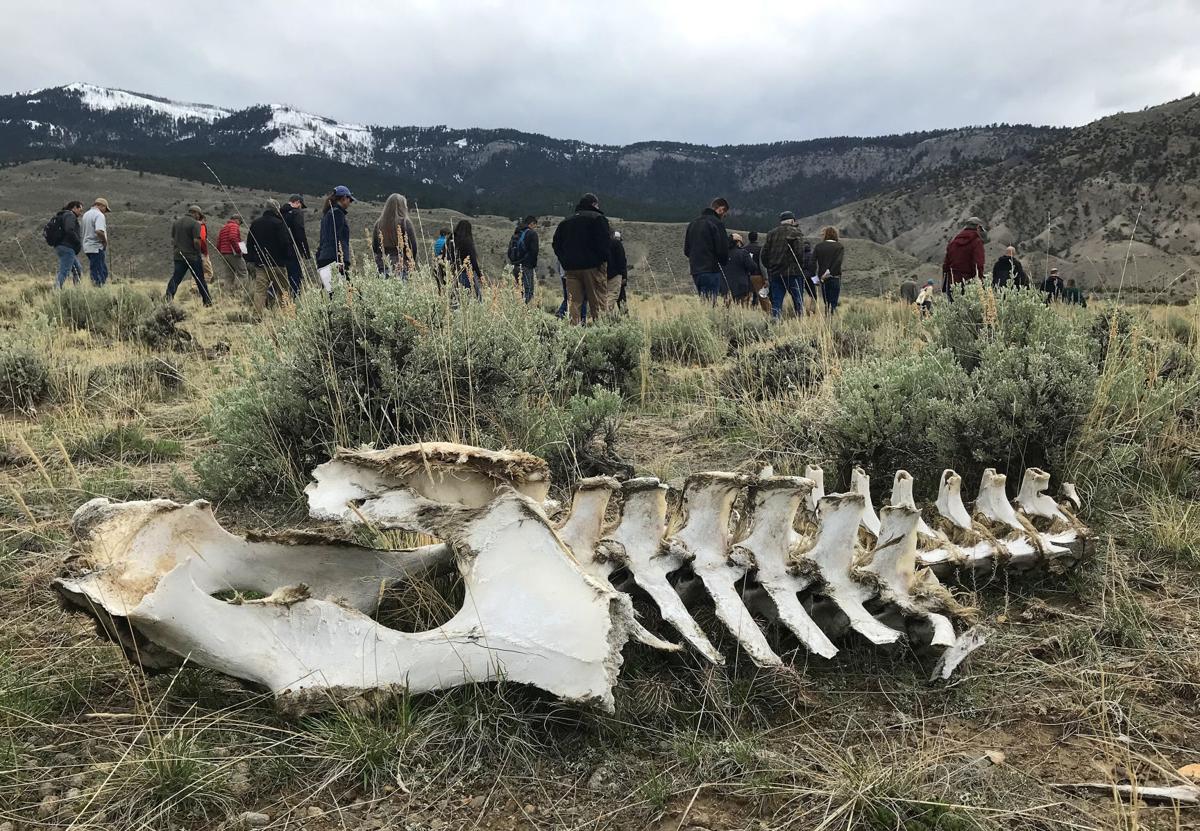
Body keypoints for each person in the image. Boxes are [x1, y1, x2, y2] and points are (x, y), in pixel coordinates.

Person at [552, 193, 611, 324]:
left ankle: (574, 333)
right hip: (593, 268)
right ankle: (601, 333)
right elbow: (605, 244)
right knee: (598, 303)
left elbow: (556, 244)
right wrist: (601, 261)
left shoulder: (566, 222)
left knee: (574, 304)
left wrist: (565, 261)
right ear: (594, 204)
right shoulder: (598, 219)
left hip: (571, 269)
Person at [247, 201, 293, 315]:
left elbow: (249, 244)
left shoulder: (255, 223)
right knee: (284, 292)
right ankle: (288, 315)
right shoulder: (279, 224)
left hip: (261, 265)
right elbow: (285, 243)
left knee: (260, 292)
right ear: (276, 210)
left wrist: (251, 259)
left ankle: (256, 316)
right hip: (278, 264)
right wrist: (287, 257)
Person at [683, 197, 730, 302]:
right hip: (711, 270)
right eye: (725, 214)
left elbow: (686, 250)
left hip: (695, 271)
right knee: (711, 304)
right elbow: (722, 249)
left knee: (704, 301)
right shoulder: (717, 223)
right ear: (721, 209)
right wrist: (724, 260)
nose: (723, 217)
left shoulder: (693, 223)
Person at [762, 211, 806, 319]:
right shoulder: (796, 232)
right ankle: (800, 323)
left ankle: (775, 322)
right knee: (798, 301)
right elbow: (800, 253)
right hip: (793, 273)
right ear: (792, 220)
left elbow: (764, 255)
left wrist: (771, 267)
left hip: (776, 273)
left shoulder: (771, 233)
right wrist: (800, 267)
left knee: (776, 302)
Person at [165, 205, 212, 306]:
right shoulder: (195, 224)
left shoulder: (176, 223)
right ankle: (207, 302)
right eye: (199, 216)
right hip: (192, 256)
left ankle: (168, 298)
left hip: (178, 255)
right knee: (200, 279)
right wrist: (198, 252)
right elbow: (196, 241)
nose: (198, 218)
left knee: (176, 278)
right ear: (195, 213)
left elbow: (173, 240)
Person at [372, 193, 419, 280]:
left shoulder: (378, 224)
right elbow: (413, 248)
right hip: (402, 268)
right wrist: (411, 265)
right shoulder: (405, 223)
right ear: (402, 207)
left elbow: (375, 248)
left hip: (382, 267)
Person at [316, 185, 354, 293]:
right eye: (349, 199)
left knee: (329, 294)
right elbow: (335, 237)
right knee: (346, 293)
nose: (350, 202)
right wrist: (340, 260)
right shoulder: (337, 213)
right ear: (344, 198)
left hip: (325, 258)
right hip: (335, 259)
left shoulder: (327, 214)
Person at [941, 217, 987, 301]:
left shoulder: (953, 242)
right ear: (977, 227)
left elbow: (945, 265)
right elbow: (978, 265)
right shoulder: (976, 242)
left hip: (952, 282)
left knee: (953, 310)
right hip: (968, 283)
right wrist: (979, 281)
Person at [446, 219, 483, 300]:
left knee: (456, 299)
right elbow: (473, 260)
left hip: (453, 273)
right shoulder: (467, 241)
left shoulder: (450, 240)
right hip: (466, 273)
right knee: (477, 298)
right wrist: (480, 275)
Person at [280, 194, 310, 295]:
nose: (301, 208)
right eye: (301, 205)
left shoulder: (280, 213)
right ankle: (295, 299)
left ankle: (274, 297)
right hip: (293, 250)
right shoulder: (297, 213)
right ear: (297, 202)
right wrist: (305, 252)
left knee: (281, 277)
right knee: (295, 276)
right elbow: (299, 232)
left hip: (280, 251)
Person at [50, 201, 84, 288]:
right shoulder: (70, 215)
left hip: (62, 246)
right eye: (80, 209)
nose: (81, 212)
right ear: (74, 208)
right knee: (64, 271)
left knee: (78, 269)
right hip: (67, 247)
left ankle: (77, 290)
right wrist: (77, 241)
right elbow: (69, 229)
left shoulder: (63, 215)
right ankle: (56, 291)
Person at [508, 216, 540, 303]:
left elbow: (509, 251)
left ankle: (518, 310)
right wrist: (532, 265)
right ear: (532, 223)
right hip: (527, 266)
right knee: (528, 291)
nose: (534, 228)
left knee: (519, 290)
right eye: (535, 226)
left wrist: (515, 262)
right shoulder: (532, 234)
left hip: (515, 266)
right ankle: (525, 313)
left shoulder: (516, 233)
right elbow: (534, 251)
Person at [215, 214, 248, 297]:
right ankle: (240, 293)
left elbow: (218, 243)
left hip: (224, 253)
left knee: (229, 276)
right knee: (243, 273)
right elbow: (232, 238)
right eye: (240, 222)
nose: (239, 225)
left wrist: (222, 252)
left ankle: (226, 296)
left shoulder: (224, 227)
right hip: (232, 253)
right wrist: (238, 250)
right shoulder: (234, 226)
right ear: (237, 220)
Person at [814, 226, 845, 314]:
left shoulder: (819, 246)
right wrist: (829, 272)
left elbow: (812, 263)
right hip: (835, 277)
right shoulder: (839, 246)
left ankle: (827, 321)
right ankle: (832, 320)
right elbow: (838, 262)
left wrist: (815, 279)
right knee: (833, 302)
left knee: (826, 302)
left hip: (823, 278)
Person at [721, 233, 758, 306]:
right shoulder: (743, 253)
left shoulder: (723, 254)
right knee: (740, 308)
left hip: (725, 285)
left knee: (727, 306)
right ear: (738, 242)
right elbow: (753, 267)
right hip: (741, 286)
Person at [80, 197, 110, 286]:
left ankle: (98, 286)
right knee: (99, 271)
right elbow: (99, 231)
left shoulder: (86, 214)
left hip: (87, 246)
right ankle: (98, 289)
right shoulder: (99, 215)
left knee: (100, 269)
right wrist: (104, 242)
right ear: (101, 206)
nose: (105, 211)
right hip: (96, 247)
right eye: (105, 208)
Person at [744, 231, 770, 313]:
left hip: (746, 275)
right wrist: (766, 278)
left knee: (746, 296)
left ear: (749, 238)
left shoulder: (744, 249)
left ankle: (745, 311)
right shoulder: (760, 249)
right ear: (757, 238)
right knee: (762, 296)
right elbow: (762, 264)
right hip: (758, 275)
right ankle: (768, 312)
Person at [607, 229, 627, 310]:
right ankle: (625, 316)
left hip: (604, 275)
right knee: (619, 298)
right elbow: (622, 262)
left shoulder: (603, 245)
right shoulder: (618, 245)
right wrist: (624, 276)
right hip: (616, 276)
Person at [432, 227, 450, 293]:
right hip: (443, 263)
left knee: (439, 281)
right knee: (446, 281)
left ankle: (440, 294)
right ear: (446, 235)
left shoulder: (437, 242)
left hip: (436, 263)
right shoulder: (446, 242)